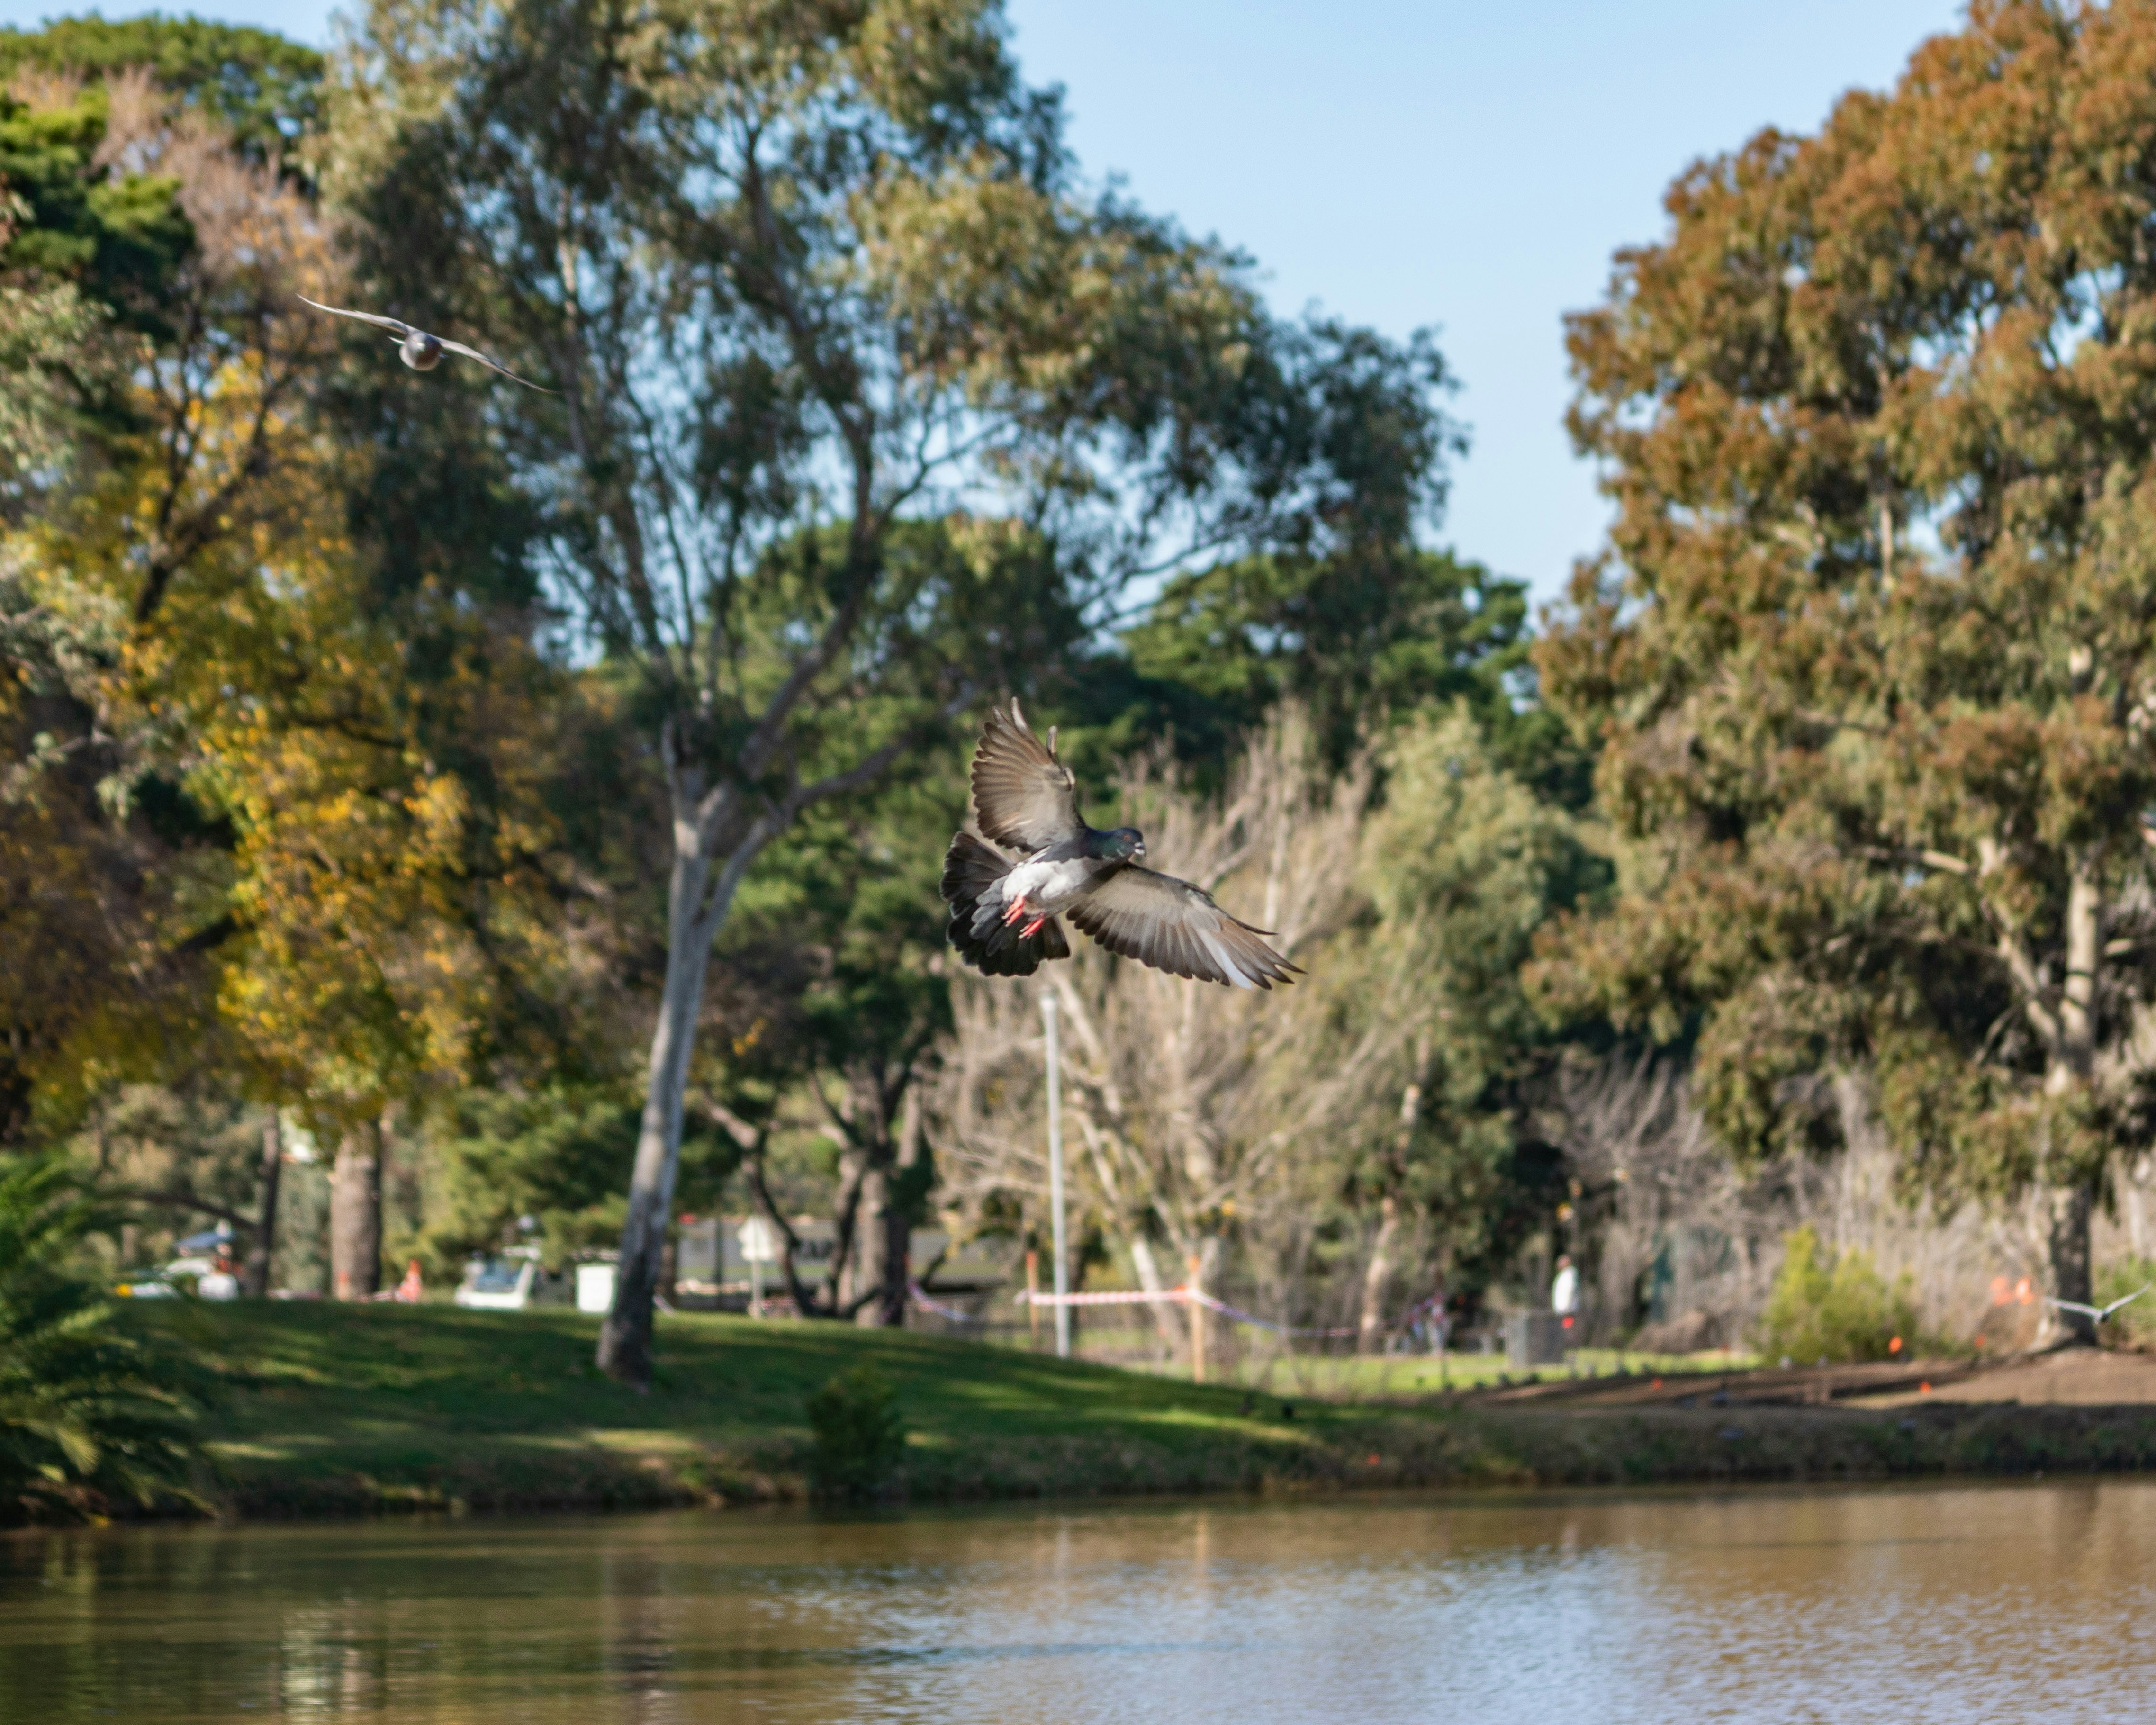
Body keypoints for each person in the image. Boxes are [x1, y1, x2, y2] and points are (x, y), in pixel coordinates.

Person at [1551, 1253, 1579, 1319]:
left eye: (1561, 1262)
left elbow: (1570, 1289)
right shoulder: (1564, 1274)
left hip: (1567, 1311)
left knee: (1567, 1328)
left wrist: (1567, 1307)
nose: (1558, 1264)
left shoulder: (1569, 1274)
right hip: (1563, 1310)